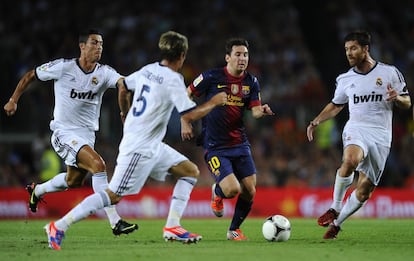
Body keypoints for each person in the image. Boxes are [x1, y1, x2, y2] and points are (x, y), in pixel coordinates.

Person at [43, 30, 227, 250]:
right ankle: (59, 226)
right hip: (139, 148)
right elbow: (188, 114)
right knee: (112, 196)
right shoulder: (173, 79)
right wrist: (214, 102)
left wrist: (125, 113)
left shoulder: (148, 70)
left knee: (190, 172)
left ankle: (172, 226)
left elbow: (123, 86)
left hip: (152, 144)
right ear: (182, 55)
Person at [3, 29, 138, 236]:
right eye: (94, 43)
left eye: (101, 44)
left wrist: (125, 97)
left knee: (73, 181)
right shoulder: (63, 67)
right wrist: (13, 100)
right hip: (63, 132)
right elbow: (31, 75)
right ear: (82, 46)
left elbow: (123, 83)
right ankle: (115, 221)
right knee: (98, 165)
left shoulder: (104, 72)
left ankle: (37, 191)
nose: (99, 48)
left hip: (87, 135)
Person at [307, 31, 411, 239]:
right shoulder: (345, 79)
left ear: (366, 49)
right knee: (350, 159)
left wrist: (397, 98)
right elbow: (336, 105)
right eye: (346, 49)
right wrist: (316, 120)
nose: (349, 53)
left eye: (353, 48)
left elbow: (407, 103)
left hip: (381, 135)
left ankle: (337, 223)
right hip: (356, 127)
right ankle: (335, 207)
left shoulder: (390, 73)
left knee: (364, 190)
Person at [187, 38, 274, 240]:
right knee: (232, 188)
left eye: (245, 54)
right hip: (215, 145)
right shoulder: (211, 76)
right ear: (228, 57)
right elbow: (188, 93)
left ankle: (234, 229)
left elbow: (255, 112)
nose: (242, 58)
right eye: (238, 54)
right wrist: (186, 120)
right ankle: (217, 191)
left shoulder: (251, 82)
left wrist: (263, 110)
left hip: (239, 143)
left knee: (250, 190)